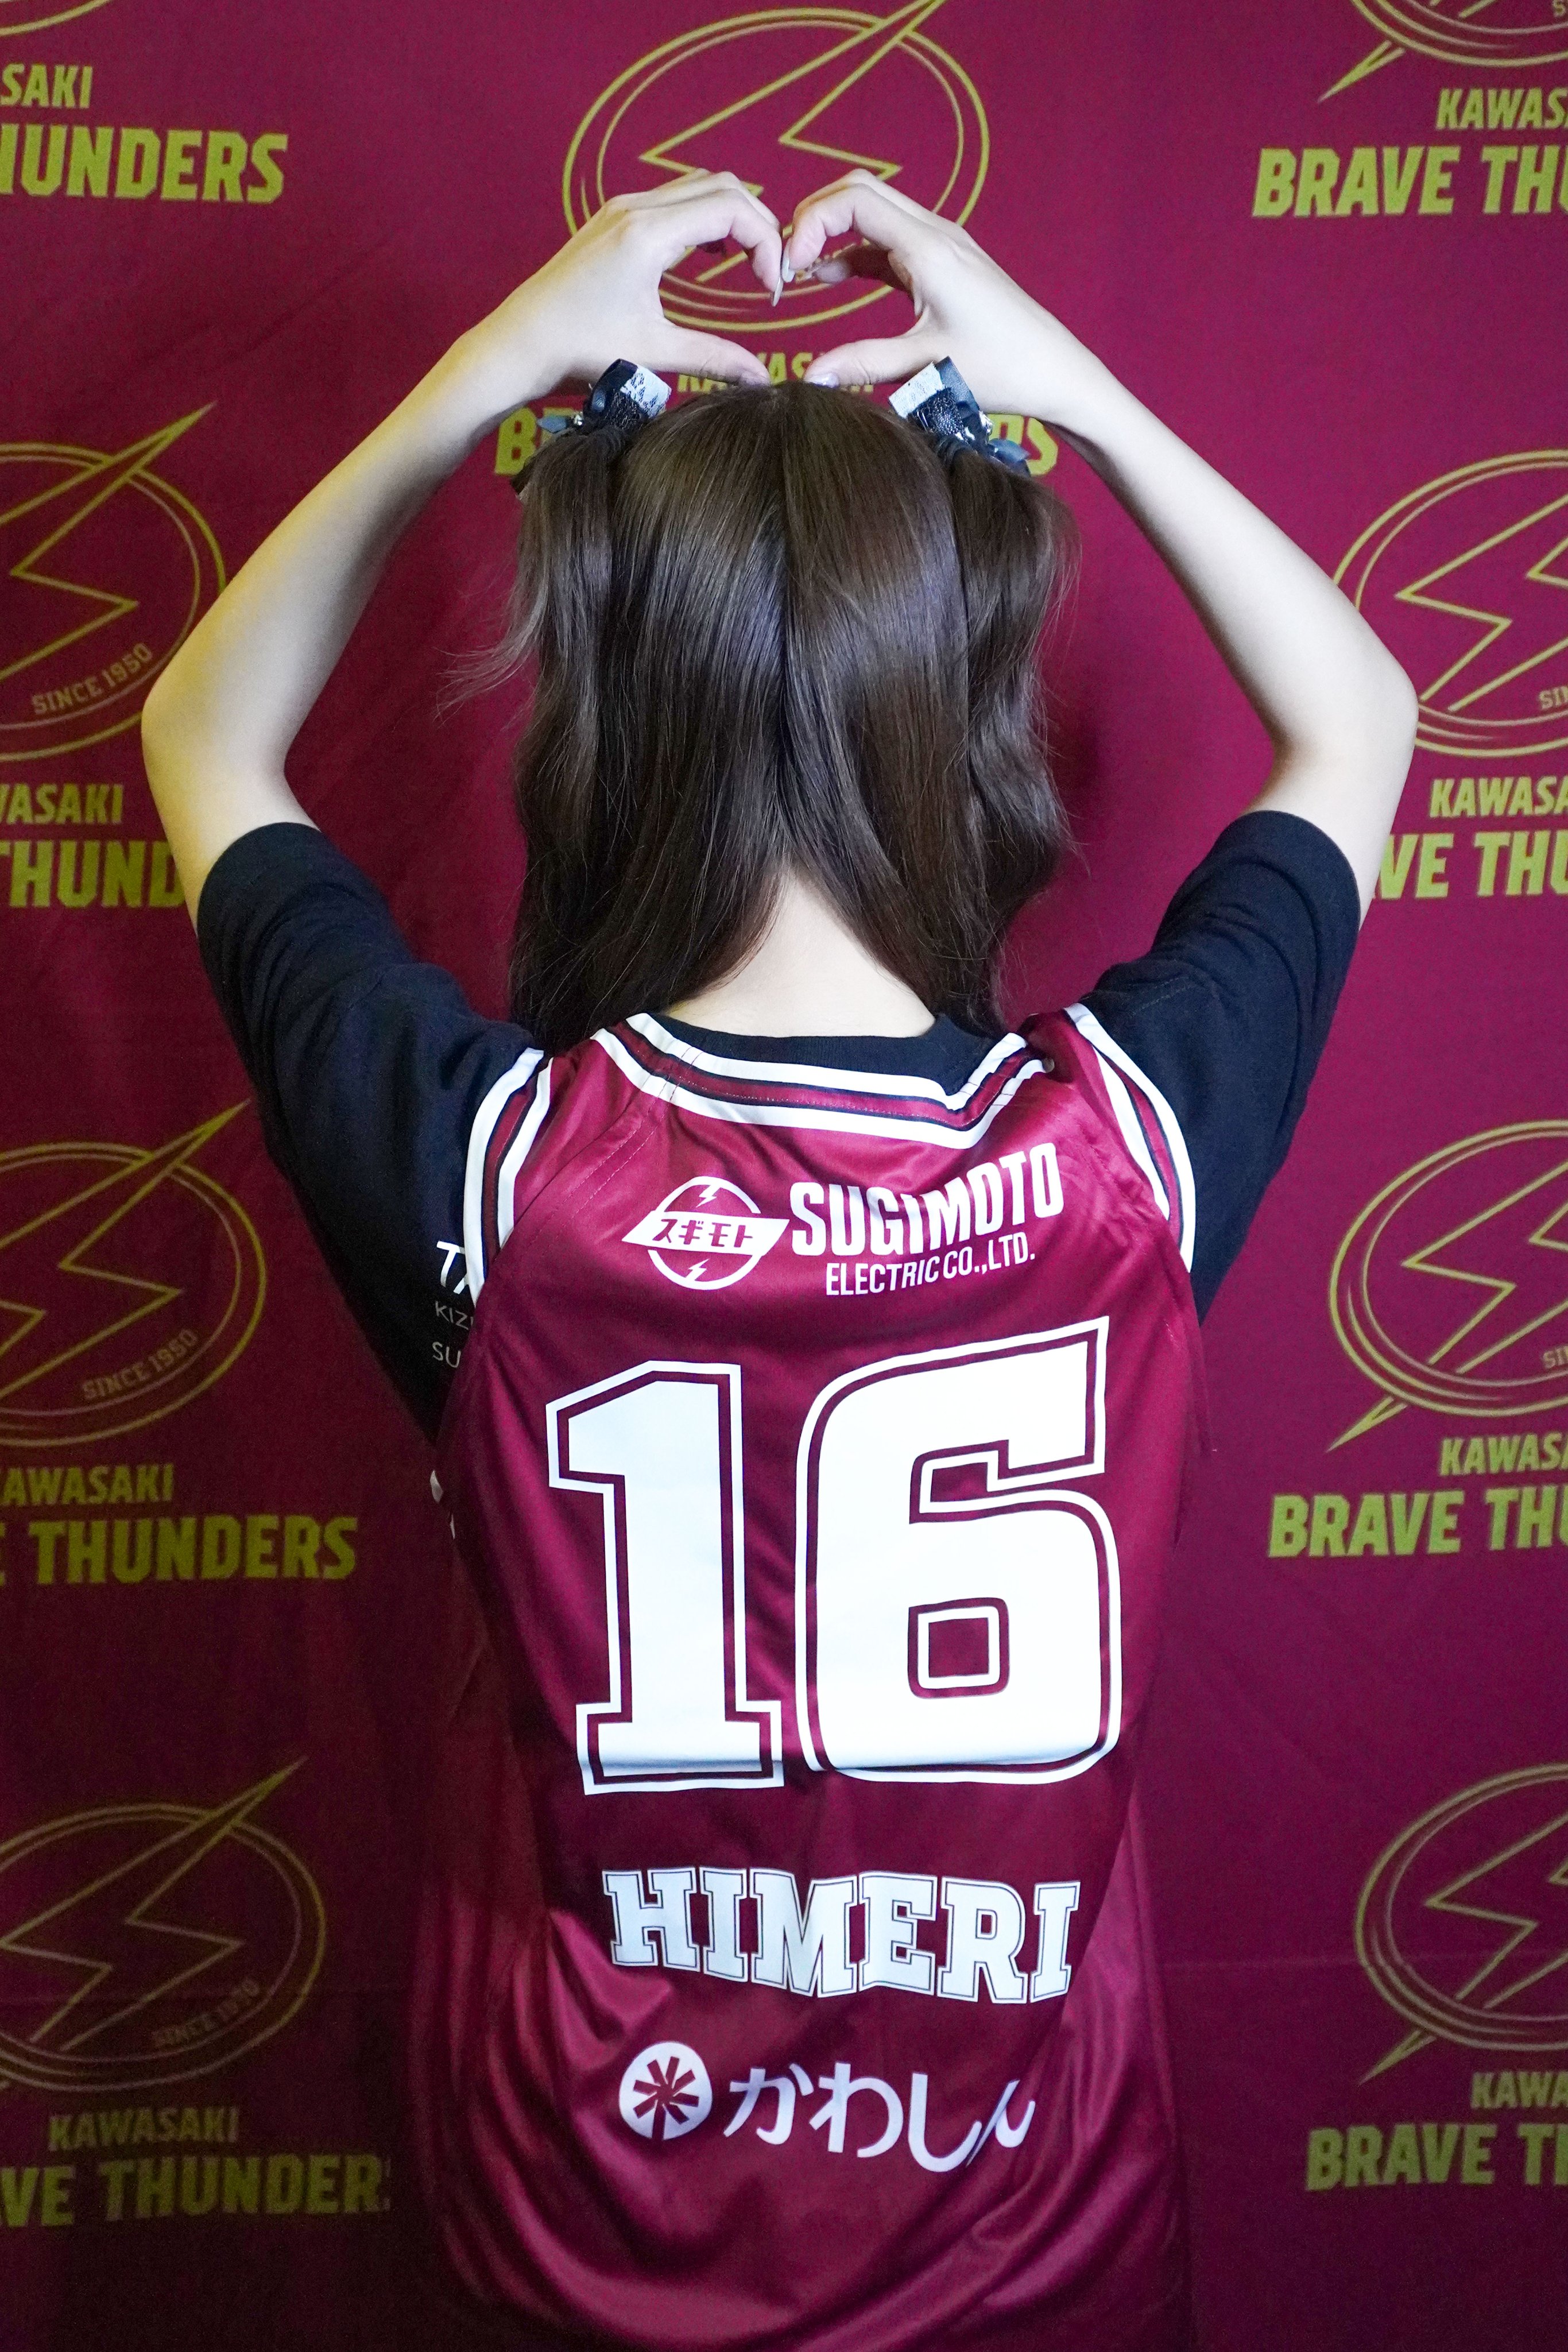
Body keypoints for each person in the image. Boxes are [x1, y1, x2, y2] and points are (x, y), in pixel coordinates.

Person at [142, 171, 1416, 2351]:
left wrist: (492, 367)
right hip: (1030, 2243)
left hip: (578, 2229)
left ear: (598, 719)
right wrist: (1069, 384)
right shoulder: (1123, 1154)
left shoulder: (495, 1173)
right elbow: (1363, 715)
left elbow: (201, 730)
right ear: (960, 709)